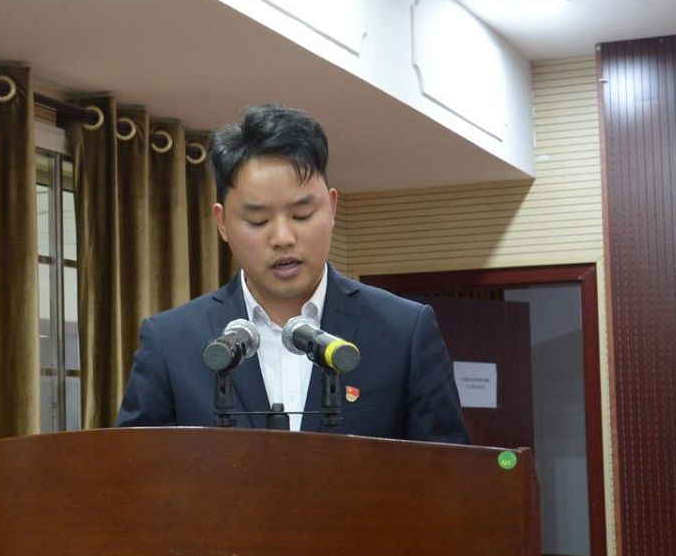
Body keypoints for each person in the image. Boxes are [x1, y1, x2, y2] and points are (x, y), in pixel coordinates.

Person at [116, 103, 468, 442]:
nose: (283, 238)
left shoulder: (403, 331)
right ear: (222, 223)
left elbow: (447, 472)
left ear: (332, 207)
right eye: (258, 220)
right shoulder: (171, 343)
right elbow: (134, 472)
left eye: (302, 215)